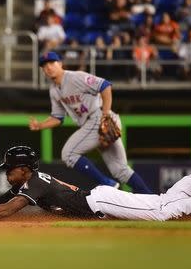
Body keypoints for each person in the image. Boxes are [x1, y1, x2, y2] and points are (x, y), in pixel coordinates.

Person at [0, 146, 191, 221]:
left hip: (100, 202)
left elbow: (10, 208)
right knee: (165, 200)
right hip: (100, 200)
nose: (7, 173)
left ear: (23, 169)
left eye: (10, 169)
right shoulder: (30, 180)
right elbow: (3, 198)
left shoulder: (34, 185)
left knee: (161, 212)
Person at [29, 52, 152, 194]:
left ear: (60, 64)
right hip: (94, 122)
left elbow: (105, 85)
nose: (48, 67)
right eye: (44, 65)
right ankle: (151, 198)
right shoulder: (54, 90)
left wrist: (105, 116)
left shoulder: (75, 77)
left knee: (69, 154)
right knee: (121, 170)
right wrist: (40, 125)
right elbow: (58, 117)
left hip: (98, 117)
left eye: (52, 63)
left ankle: (108, 184)